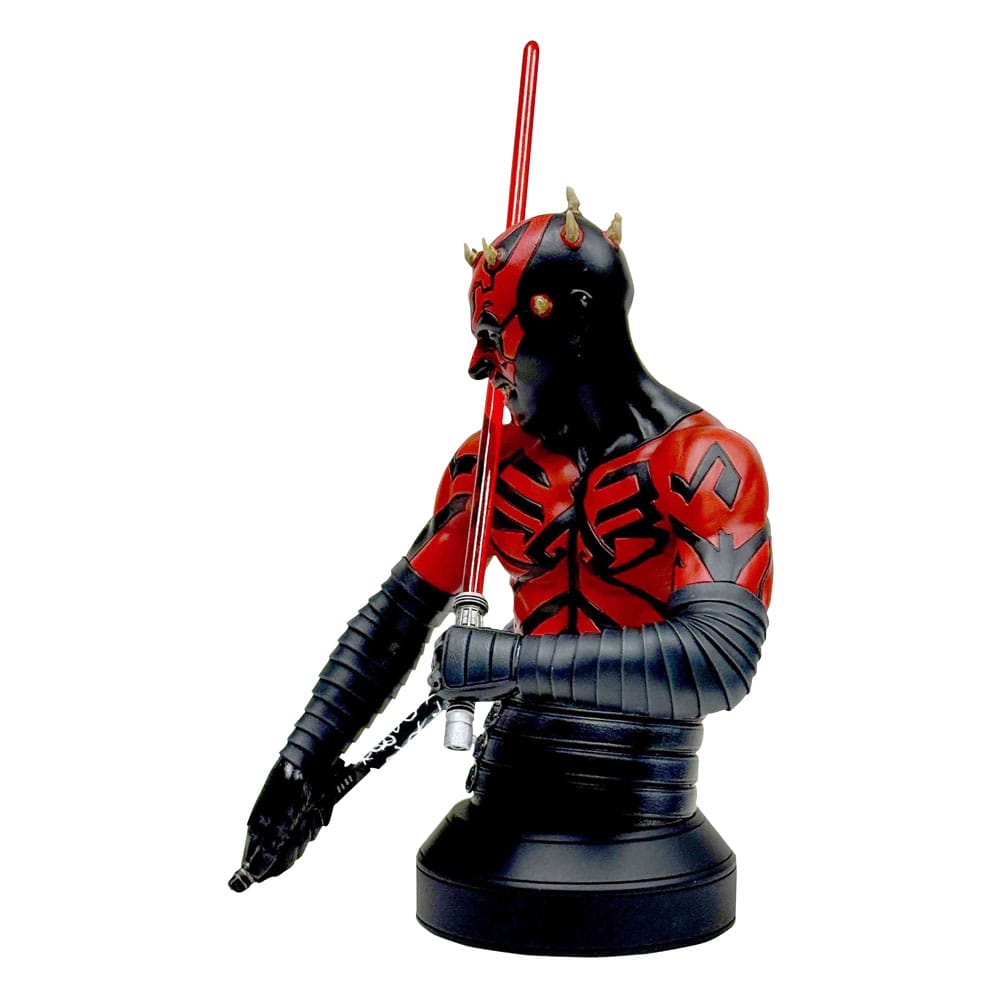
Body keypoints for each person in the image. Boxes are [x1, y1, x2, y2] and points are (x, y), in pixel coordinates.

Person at [233, 190, 772, 955]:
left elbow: (718, 659)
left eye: (493, 336)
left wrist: (506, 662)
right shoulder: (491, 466)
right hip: (505, 797)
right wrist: (303, 760)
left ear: (574, 320)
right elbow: (396, 618)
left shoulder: (705, 463)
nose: (479, 365)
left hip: (644, 803)